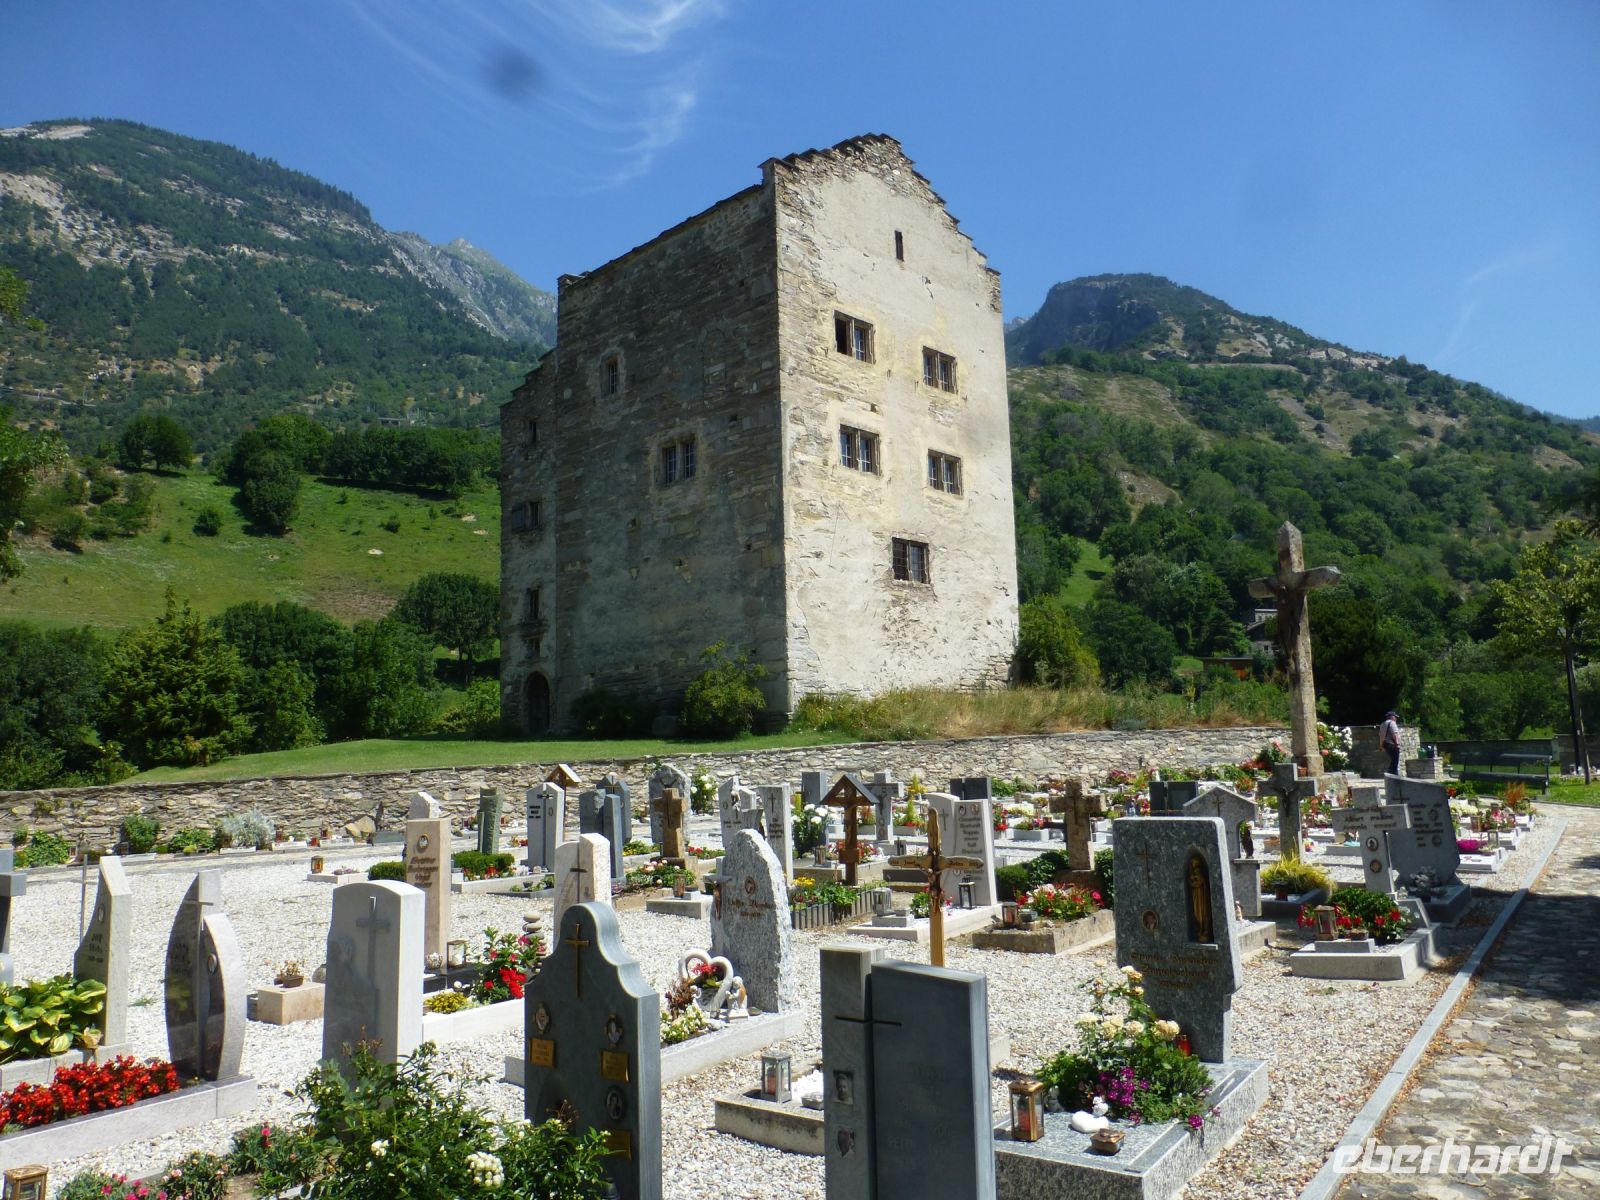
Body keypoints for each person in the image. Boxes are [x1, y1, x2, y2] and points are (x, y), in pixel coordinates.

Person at [1379, 710, 1402, 775]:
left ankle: (1391, 772)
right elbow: (1395, 734)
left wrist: (1380, 746)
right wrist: (1397, 744)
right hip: (1392, 744)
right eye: (1395, 717)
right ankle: (1394, 774)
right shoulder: (1392, 723)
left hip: (1385, 744)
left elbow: (1381, 737)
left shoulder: (1382, 724)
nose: (1396, 718)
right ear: (1392, 717)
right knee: (1395, 760)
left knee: (1393, 760)